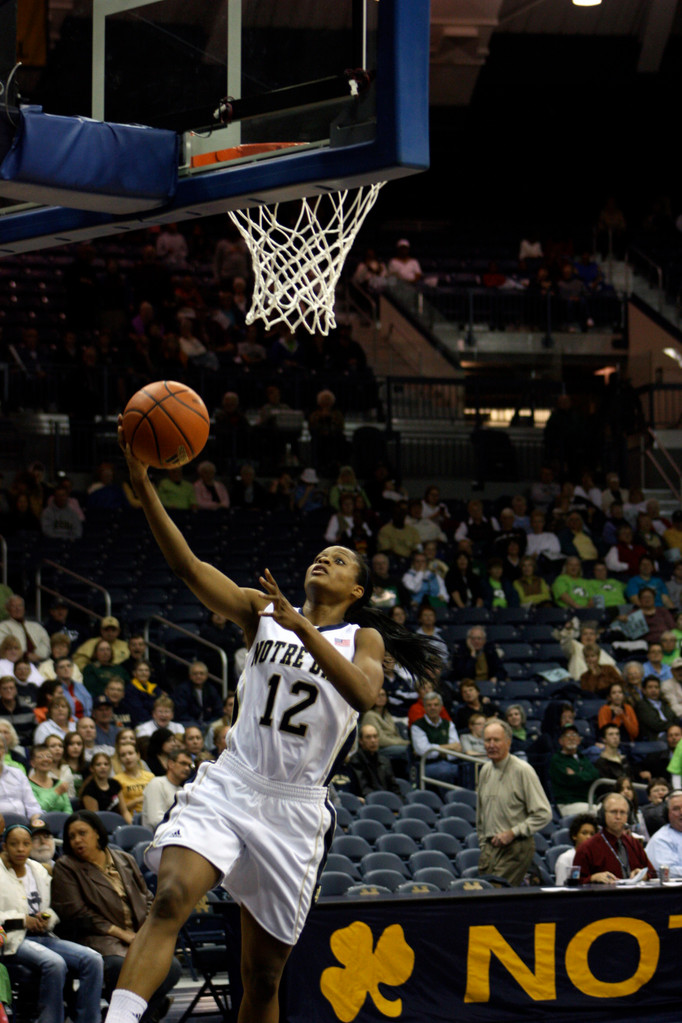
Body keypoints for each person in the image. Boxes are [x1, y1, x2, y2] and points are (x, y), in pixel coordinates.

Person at [103, 423, 440, 1023]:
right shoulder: (261, 612)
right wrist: (142, 483)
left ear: (355, 588)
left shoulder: (361, 635)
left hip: (297, 806)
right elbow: (187, 565)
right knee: (173, 897)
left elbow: (363, 693)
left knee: (262, 978)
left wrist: (301, 624)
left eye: (336, 560)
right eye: (320, 555)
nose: (323, 560)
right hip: (234, 783)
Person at [51, 811, 181, 1023]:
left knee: (172, 967)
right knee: (120, 967)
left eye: (82, 833)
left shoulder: (125, 859)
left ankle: (125, 1017)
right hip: (98, 941)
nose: (77, 840)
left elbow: (146, 897)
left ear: (98, 834)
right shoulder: (67, 866)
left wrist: (146, 931)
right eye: (71, 836)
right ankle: (142, 1014)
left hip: (138, 936)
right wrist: (124, 935)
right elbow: (76, 913)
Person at [0, 821, 104, 1023]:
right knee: (54, 963)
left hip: (44, 935)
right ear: (5, 846)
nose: (21, 849)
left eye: (25, 844)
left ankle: (88, 1019)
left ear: (31, 846)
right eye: (14, 844)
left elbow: (54, 906)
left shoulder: (38, 870)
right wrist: (23, 920)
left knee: (93, 960)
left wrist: (46, 918)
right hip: (14, 940)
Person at [476, 720, 552, 885]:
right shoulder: (484, 771)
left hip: (515, 847)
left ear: (508, 742)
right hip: (489, 849)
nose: (491, 745)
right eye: (487, 740)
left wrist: (513, 832)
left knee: (495, 895)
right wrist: (483, 844)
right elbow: (480, 815)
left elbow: (543, 813)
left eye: (496, 740)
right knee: (485, 897)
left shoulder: (523, 770)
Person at [572, 792, 656, 883]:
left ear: (628, 817)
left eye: (623, 812)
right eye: (613, 812)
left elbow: (653, 873)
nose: (618, 817)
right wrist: (592, 878)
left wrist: (644, 875)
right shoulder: (586, 848)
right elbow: (574, 882)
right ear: (603, 815)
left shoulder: (634, 843)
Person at [410, 692, 461, 786]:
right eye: (429, 705)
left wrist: (437, 750)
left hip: (448, 762)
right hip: (427, 765)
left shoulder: (448, 724)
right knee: (447, 770)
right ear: (424, 708)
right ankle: (449, 799)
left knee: (467, 769)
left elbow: (457, 749)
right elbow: (423, 751)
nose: (433, 708)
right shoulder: (417, 726)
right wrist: (448, 747)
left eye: (436, 705)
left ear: (441, 707)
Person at [549, 723, 600, 816]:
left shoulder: (582, 758)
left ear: (579, 740)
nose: (571, 738)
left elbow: (595, 775)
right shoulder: (556, 760)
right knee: (600, 813)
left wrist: (577, 775)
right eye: (567, 736)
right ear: (560, 741)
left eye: (574, 735)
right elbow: (569, 780)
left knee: (610, 808)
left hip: (589, 802)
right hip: (568, 804)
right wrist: (584, 776)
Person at [141, 749, 194, 830]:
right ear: (170, 764)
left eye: (189, 765)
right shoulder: (157, 783)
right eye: (183, 763)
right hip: (157, 838)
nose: (187, 768)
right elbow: (155, 820)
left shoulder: (183, 790)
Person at [346, 724, 402, 799]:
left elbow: (394, 788)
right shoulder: (356, 761)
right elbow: (364, 789)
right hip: (371, 802)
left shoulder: (384, 761)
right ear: (361, 741)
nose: (373, 740)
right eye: (368, 737)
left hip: (387, 802)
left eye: (375, 736)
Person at [79, 752, 132, 823]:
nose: (103, 767)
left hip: (117, 823)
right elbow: (95, 819)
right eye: (98, 765)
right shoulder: (89, 790)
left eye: (106, 764)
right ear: (92, 768)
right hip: (101, 825)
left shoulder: (115, 784)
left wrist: (131, 824)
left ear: (110, 767)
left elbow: (124, 811)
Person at [0, 596, 51, 664]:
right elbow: (3, 646)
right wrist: (26, 655)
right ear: (8, 609)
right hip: (14, 663)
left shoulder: (36, 626)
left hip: (40, 661)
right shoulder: (3, 627)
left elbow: (45, 644)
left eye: (20, 606)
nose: (17, 609)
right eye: (13, 606)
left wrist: (38, 655)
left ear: (24, 608)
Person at [553, 812, 598, 886]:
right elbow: (561, 888)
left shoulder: (597, 857)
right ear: (574, 835)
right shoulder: (565, 858)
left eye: (592, 834)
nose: (589, 837)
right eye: (584, 833)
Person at [645, 791, 682, 877]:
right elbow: (666, 872)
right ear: (667, 814)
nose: (681, 812)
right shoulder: (660, 839)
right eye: (676, 809)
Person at [114, 742, 155, 817]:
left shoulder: (150, 776)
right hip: (131, 818)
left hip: (152, 815)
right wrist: (137, 800)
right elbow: (119, 809)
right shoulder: (116, 780)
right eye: (123, 755)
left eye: (130, 753)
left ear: (138, 755)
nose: (127, 757)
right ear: (120, 759)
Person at [636, 676, 679, 740]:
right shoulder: (642, 705)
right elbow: (655, 724)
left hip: (671, 732)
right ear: (644, 690)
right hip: (656, 737)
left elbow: (674, 718)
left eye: (656, 687)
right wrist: (673, 727)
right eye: (650, 687)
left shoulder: (664, 702)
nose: (653, 690)